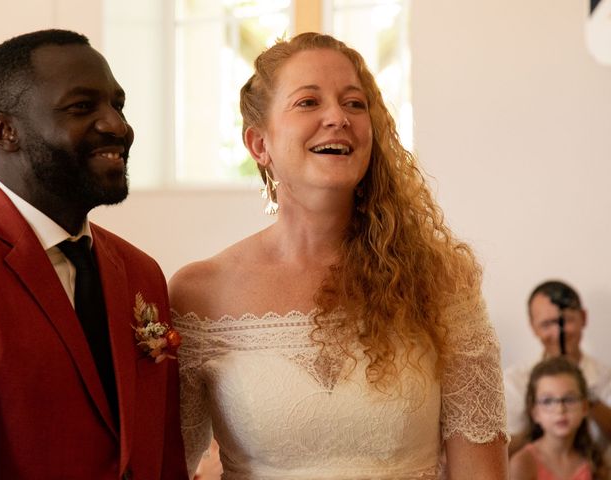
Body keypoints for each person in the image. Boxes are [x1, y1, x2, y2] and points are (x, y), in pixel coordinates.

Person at [170, 32, 508, 479]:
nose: (337, 117)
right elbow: (166, 466)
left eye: (354, 103)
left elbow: (481, 473)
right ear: (259, 144)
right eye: (308, 102)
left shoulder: (441, 281)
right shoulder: (199, 294)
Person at [0, 29, 187, 479]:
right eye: (82, 107)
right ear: (3, 130)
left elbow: (163, 456)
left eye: (118, 105)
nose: (117, 126)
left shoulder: (140, 272)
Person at [505, 280, 611, 457]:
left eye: (566, 320)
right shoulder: (516, 381)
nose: (558, 333)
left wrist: (587, 395)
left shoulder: (605, 378)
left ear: (583, 318)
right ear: (533, 327)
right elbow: (502, 452)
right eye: (547, 324)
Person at [510, 356, 607, 479]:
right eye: (548, 401)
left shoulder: (594, 463)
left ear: (585, 407)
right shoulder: (522, 464)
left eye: (569, 399)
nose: (560, 410)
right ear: (534, 413)